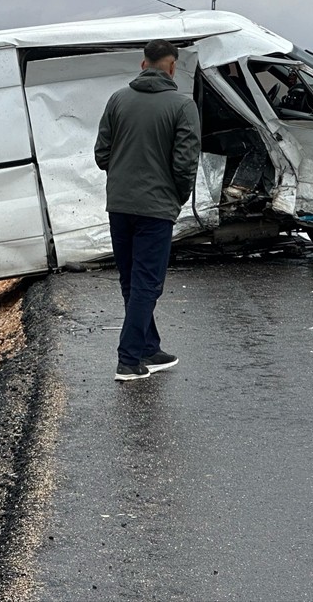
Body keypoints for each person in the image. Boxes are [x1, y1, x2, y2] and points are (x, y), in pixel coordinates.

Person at [94, 39, 201, 381]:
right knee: (147, 283)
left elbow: (101, 155)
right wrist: (177, 196)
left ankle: (148, 348)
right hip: (156, 207)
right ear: (172, 67)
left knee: (131, 279)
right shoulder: (182, 106)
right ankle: (128, 360)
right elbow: (185, 163)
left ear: (144, 65)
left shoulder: (117, 100)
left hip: (120, 205)